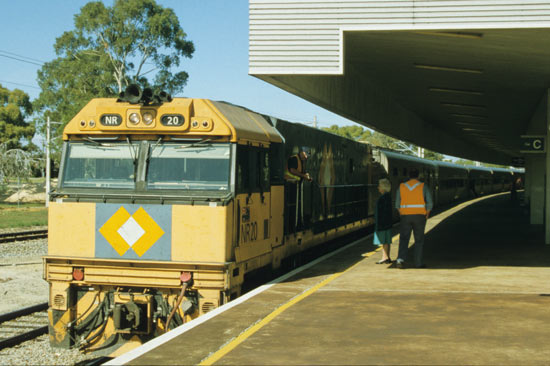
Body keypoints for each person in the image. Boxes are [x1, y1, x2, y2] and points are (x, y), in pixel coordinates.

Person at [395, 168, 433, 269]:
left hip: (405, 216)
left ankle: (400, 259)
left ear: (408, 175)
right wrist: (427, 214)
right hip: (420, 217)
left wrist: (402, 214)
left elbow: (397, 204)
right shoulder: (423, 186)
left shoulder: (402, 186)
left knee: (403, 238)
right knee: (419, 240)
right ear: (418, 176)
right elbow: (430, 203)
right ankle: (418, 263)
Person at [284, 147, 312, 231]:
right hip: (289, 186)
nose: (307, 157)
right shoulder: (294, 158)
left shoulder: (302, 161)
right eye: (306, 154)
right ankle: (292, 225)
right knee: (291, 208)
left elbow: (300, 173)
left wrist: (306, 176)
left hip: (296, 187)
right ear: (302, 152)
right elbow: (292, 170)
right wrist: (303, 176)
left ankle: (298, 223)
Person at [374, 178, 393, 264]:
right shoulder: (388, 196)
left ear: (383, 187)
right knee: (387, 241)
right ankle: (387, 257)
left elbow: (381, 212)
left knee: (384, 241)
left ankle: (385, 257)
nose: (378, 188)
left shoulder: (382, 198)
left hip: (382, 223)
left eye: (379, 186)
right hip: (387, 223)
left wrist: (378, 224)